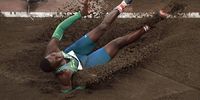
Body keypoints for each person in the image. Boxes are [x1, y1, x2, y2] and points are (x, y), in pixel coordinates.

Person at [40, 0, 168, 94]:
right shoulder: (64, 76)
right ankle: (151, 23)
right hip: (86, 64)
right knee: (117, 43)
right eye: (56, 59)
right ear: (56, 67)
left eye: (53, 55)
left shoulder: (52, 49)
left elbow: (61, 28)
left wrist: (80, 14)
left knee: (102, 27)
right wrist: (83, 84)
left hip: (74, 51)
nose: (56, 55)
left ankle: (124, 3)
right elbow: (70, 92)